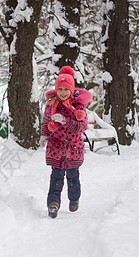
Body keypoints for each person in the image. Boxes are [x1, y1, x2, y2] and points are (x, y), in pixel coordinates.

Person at [39, 66, 92, 218]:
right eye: (60, 89)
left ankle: (74, 198)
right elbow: (46, 122)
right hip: (56, 146)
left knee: (72, 177)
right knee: (56, 176)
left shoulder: (78, 107)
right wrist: (45, 135)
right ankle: (53, 204)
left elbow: (81, 127)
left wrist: (64, 121)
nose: (62, 92)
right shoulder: (51, 105)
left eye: (65, 89)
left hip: (73, 148)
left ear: (71, 90)